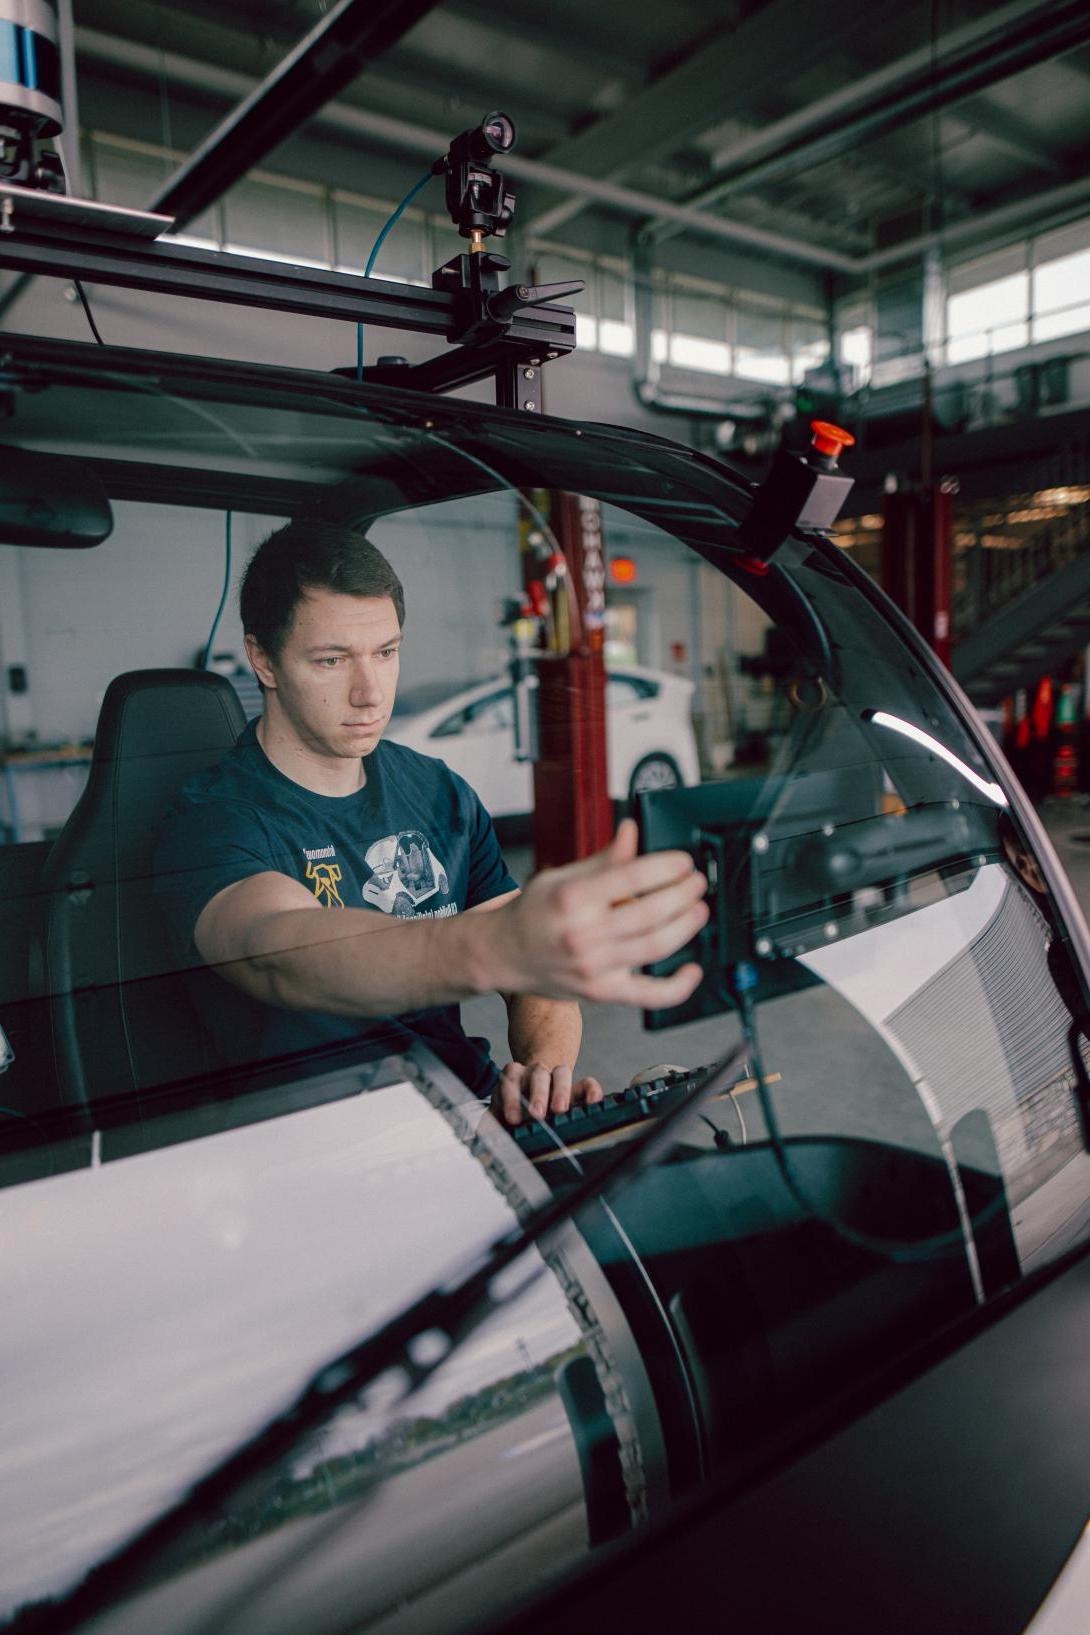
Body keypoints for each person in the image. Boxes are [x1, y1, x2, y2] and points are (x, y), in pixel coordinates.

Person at [156, 521, 707, 1125]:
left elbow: (531, 975)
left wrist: (544, 1068)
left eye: (386, 653)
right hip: (316, 1141)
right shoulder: (215, 817)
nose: (370, 693)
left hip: (463, 1110)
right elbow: (279, 952)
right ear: (263, 658)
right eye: (332, 660)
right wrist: (493, 947)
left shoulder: (438, 790)